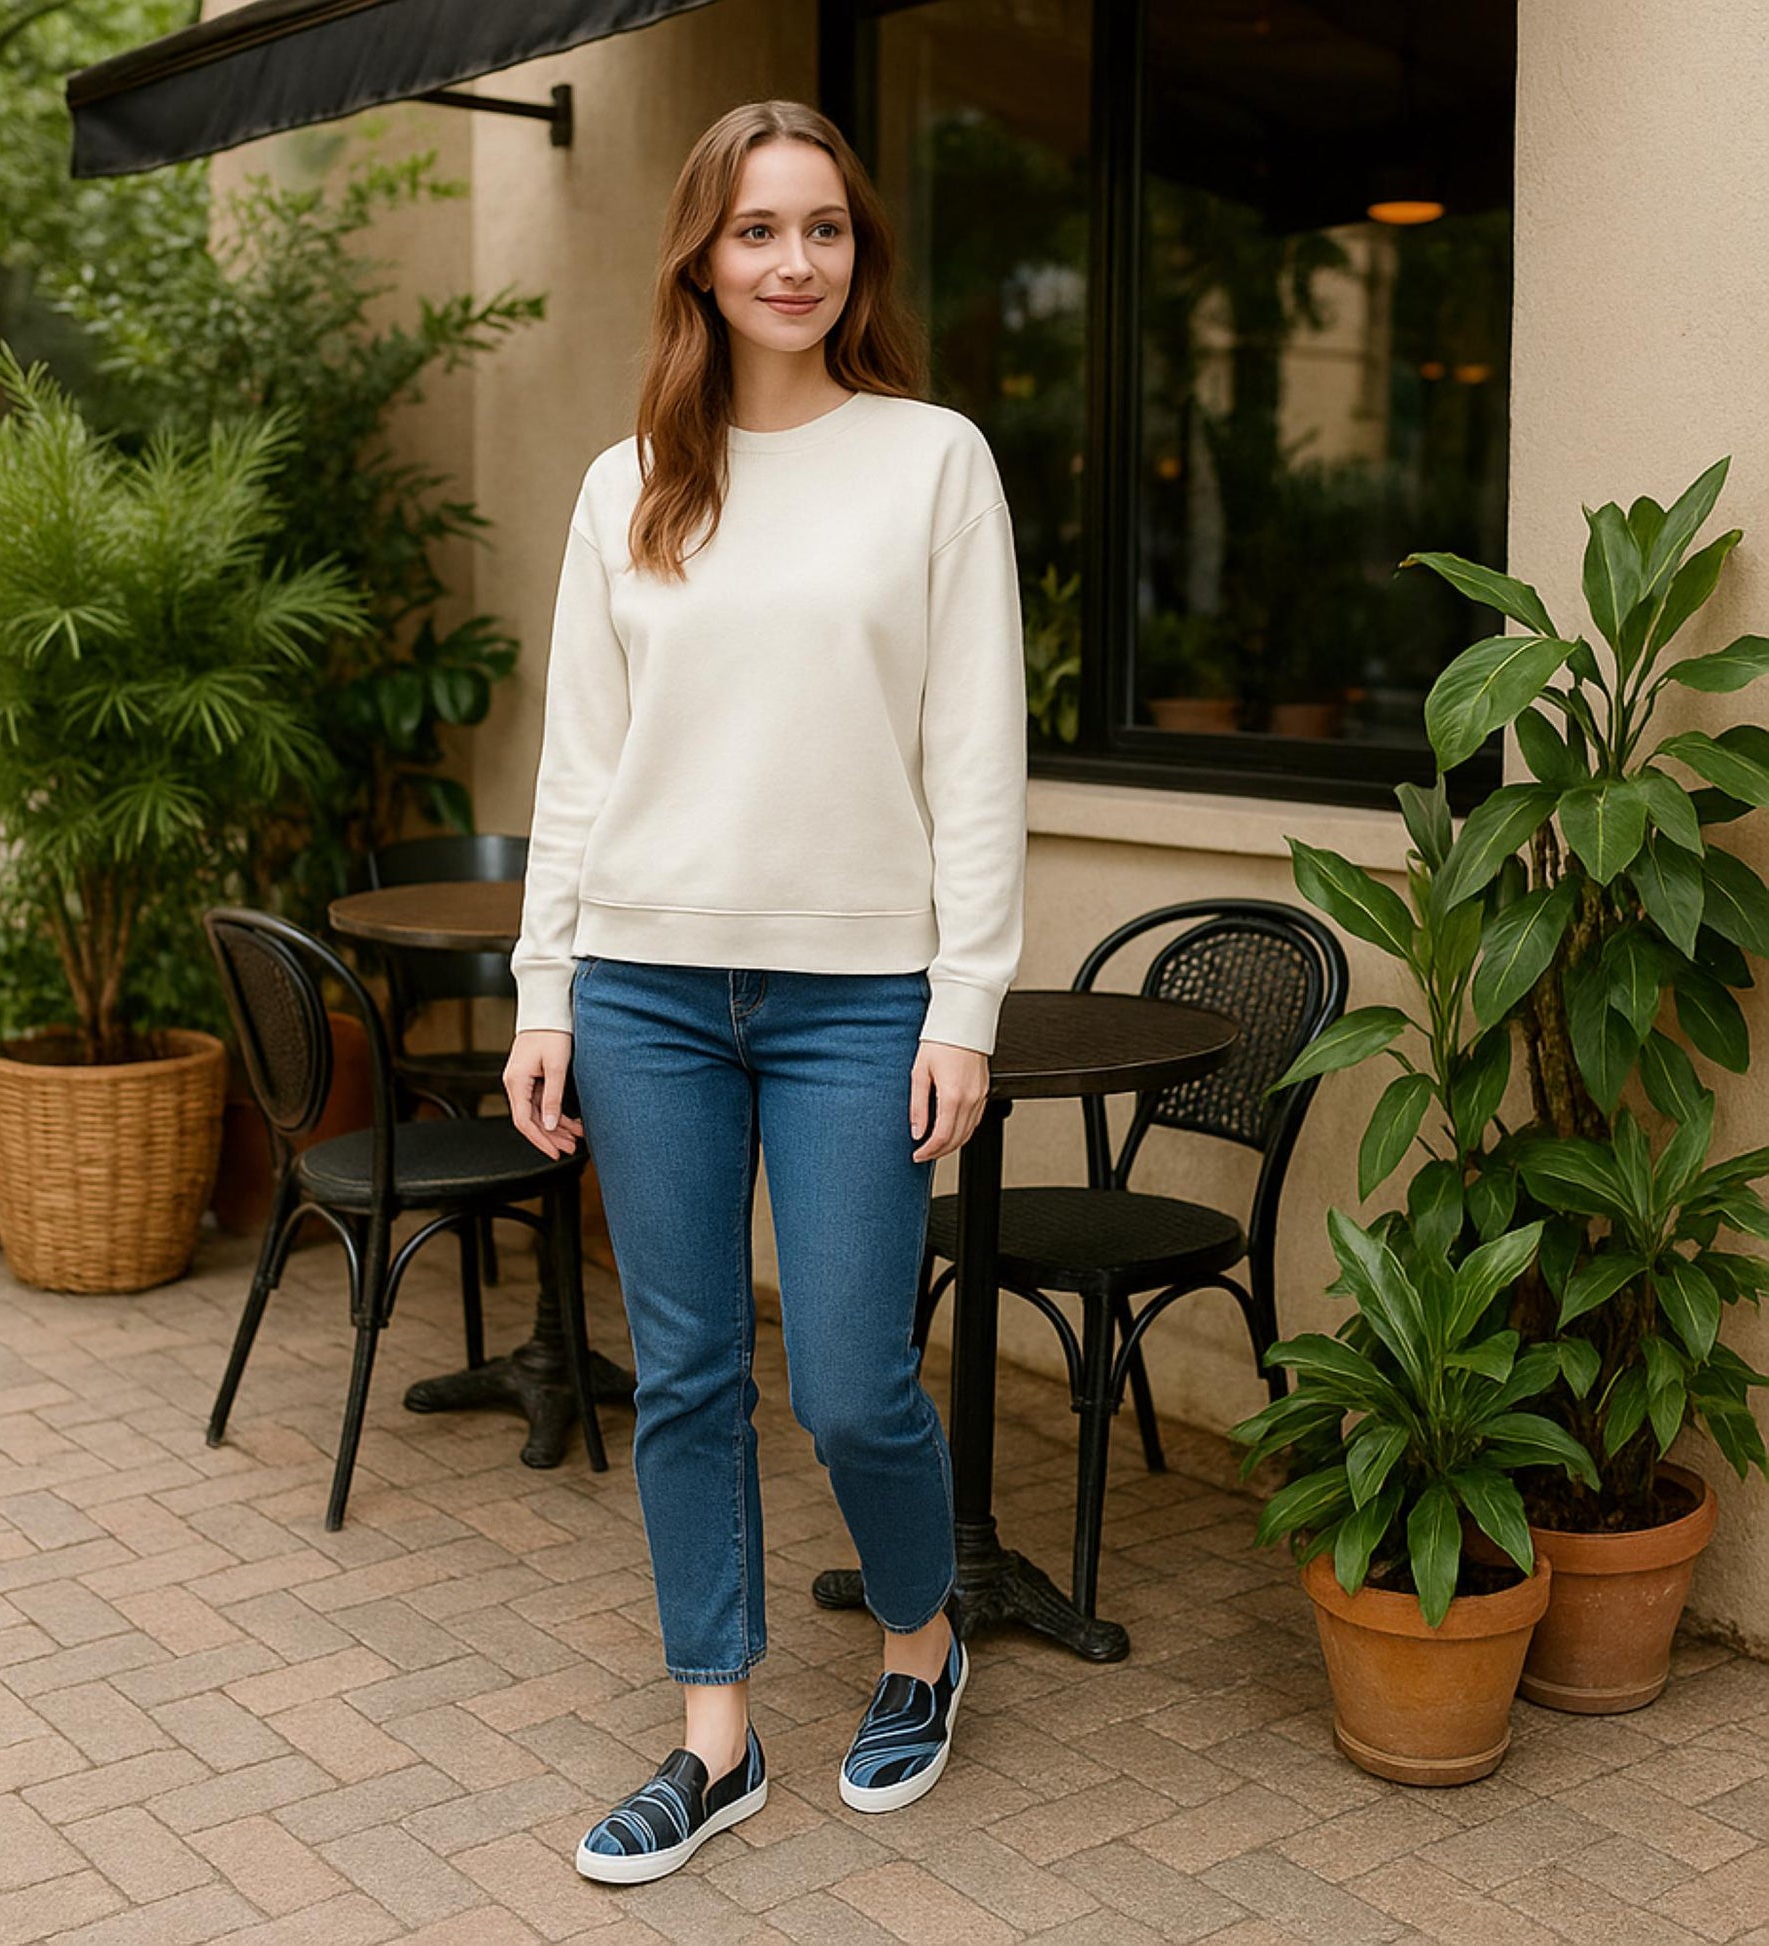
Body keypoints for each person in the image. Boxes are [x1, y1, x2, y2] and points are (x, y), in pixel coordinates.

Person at [502, 97, 1027, 1886]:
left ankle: (916, 1640)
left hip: (856, 995)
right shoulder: (627, 482)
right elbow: (580, 763)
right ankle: (712, 1728)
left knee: (858, 1383)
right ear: (700, 261)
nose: (793, 261)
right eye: (754, 232)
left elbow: (976, 754)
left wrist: (965, 1002)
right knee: (690, 1367)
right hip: (644, 985)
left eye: (822, 228)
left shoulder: (932, 459)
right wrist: (542, 985)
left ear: (855, 252)